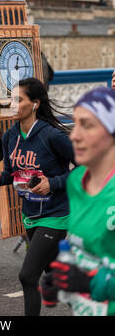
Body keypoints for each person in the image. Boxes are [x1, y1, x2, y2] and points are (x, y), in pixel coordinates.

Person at [0, 77, 75, 317]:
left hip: (56, 215)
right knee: (53, 274)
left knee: (27, 276)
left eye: (18, 99)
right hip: (29, 215)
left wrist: (53, 182)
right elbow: (12, 173)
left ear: (36, 104)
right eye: (11, 99)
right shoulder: (10, 137)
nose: (13, 104)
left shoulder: (52, 136)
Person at [41, 87, 115, 316]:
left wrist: (91, 282)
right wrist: (60, 279)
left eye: (88, 125)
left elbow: (92, 277)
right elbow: (83, 248)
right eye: (75, 124)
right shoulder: (76, 181)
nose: (74, 135)